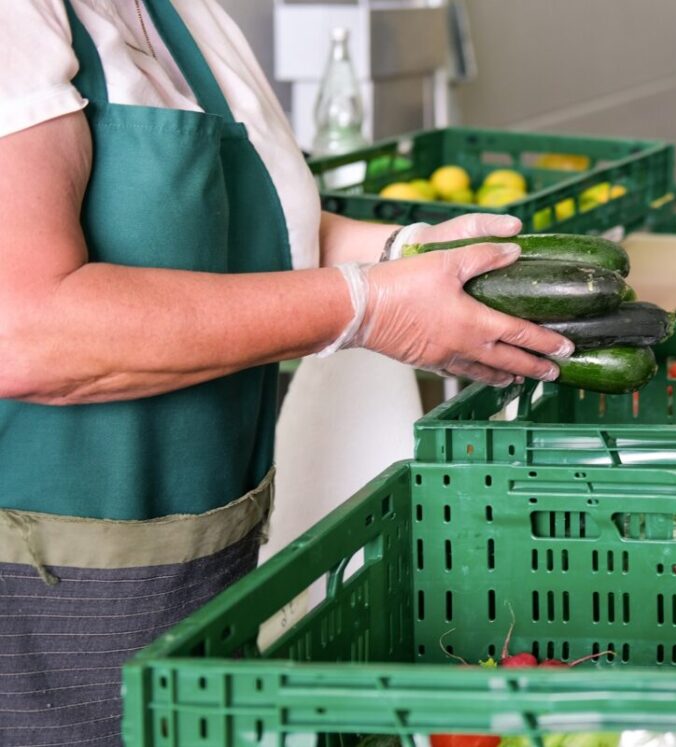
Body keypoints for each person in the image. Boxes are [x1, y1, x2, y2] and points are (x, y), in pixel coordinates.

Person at [0, 2, 573, 744]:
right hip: (43, 606)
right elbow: (26, 329)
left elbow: (262, 231)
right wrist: (366, 306)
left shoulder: (186, 15)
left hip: (206, 579)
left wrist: (407, 252)